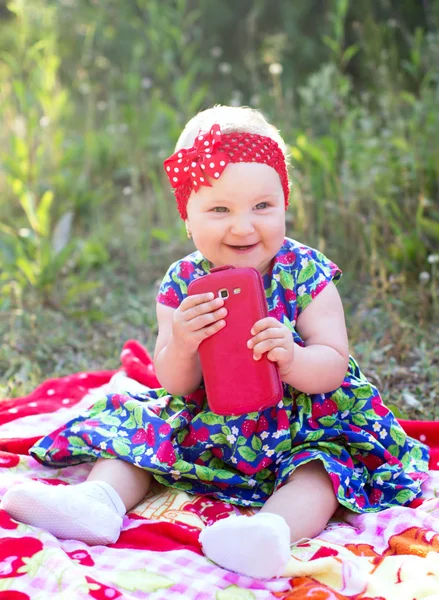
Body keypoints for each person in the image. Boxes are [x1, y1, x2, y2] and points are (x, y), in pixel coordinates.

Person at [2, 105, 429, 580]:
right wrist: (182, 342)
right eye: (220, 209)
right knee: (137, 429)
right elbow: (176, 383)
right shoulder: (183, 281)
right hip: (211, 422)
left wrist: (292, 358)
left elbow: (332, 362)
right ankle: (97, 504)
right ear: (188, 219)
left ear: (284, 204)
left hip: (303, 422)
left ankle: (272, 532)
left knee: (324, 471)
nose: (243, 227)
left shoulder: (305, 272)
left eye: (262, 207)